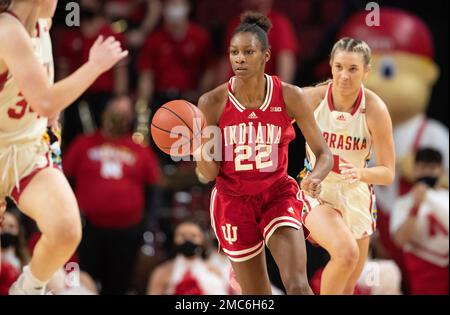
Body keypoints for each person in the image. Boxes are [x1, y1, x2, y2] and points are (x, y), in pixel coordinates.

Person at [194, 12, 333, 295]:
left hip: (276, 194)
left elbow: (324, 153)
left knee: (298, 286)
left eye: (248, 52)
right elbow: (209, 173)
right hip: (233, 201)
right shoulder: (211, 102)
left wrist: (316, 177)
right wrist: (196, 146)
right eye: (234, 52)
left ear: (266, 55)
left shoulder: (290, 96)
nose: (239, 59)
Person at [0, 0, 127, 294]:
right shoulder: (6, 29)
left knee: (66, 229)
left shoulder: (42, 28)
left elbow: (43, 101)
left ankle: (27, 289)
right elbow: (44, 99)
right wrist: (95, 65)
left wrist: (47, 116)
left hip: (26, 152)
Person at [300, 37, 395, 294]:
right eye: (339, 66)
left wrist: (361, 173)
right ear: (330, 65)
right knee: (346, 253)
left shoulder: (375, 109)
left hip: (357, 192)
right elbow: (273, 134)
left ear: (366, 71)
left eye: (353, 68)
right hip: (318, 189)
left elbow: (388, 173)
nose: (344, 75)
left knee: (349, 280)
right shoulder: (311, 99)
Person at [62, 95, 160, 295]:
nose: (119, 117)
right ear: (105, 113)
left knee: (118, 285)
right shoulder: (83, 144)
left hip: (127, 230)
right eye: (116, 112)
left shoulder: (140, 150)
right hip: (88, 228)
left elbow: (154, 189)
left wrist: (148, 223)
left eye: (125, 114)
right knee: (85, 282)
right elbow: (63, 180)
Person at [390, 148, 448, 294]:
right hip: (422, 270)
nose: (427, 173)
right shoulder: (402, 203)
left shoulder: (446, 197)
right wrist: (415, 208)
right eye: (423, 167)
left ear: (441, 171)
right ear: (415, 170)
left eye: (432, 168)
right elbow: (400, 240)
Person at [147, 219, 229, 295]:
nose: (188, 240)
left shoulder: (214, 272)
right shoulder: (162, 272)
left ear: (202, 240)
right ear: (174, 239)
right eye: (182, 235)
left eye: (193, 236)